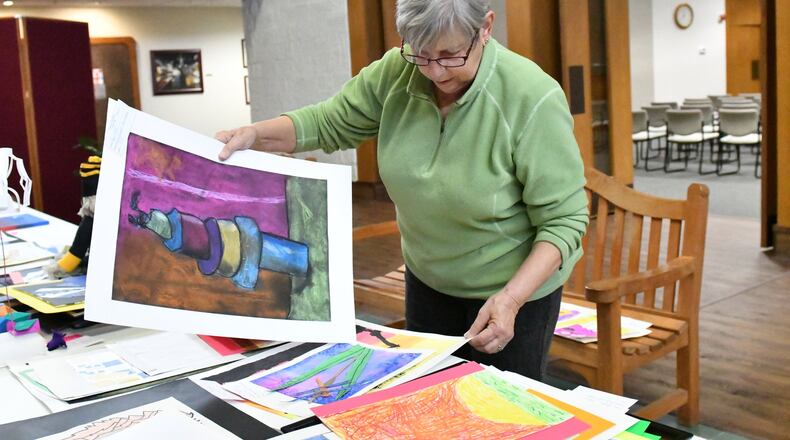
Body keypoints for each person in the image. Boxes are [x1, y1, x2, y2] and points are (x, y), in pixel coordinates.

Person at [216, 0, 588, 381]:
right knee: (425, 401)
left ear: (486, 28)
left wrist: (510, 299)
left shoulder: (531, 96)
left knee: (505, 417)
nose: (435, 71)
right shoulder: (397, 72)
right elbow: (329, 122)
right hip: (427, 280)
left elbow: (565, 222)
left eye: (450, 54)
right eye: (421, 55)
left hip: (511, 294)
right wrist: (256, 134)